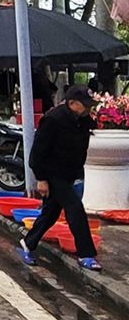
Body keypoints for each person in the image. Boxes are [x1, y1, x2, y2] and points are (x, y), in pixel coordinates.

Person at [19, 85, 102, 271]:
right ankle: (86, 254)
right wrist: (41, 179)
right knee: (75, 209)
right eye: (85, 105)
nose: (89, 109)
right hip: (53, 173)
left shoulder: (83, 120)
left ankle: (28, 243)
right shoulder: (53, 120)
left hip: (70, 173)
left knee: (50, 213)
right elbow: (37, 153)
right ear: (72, 103)